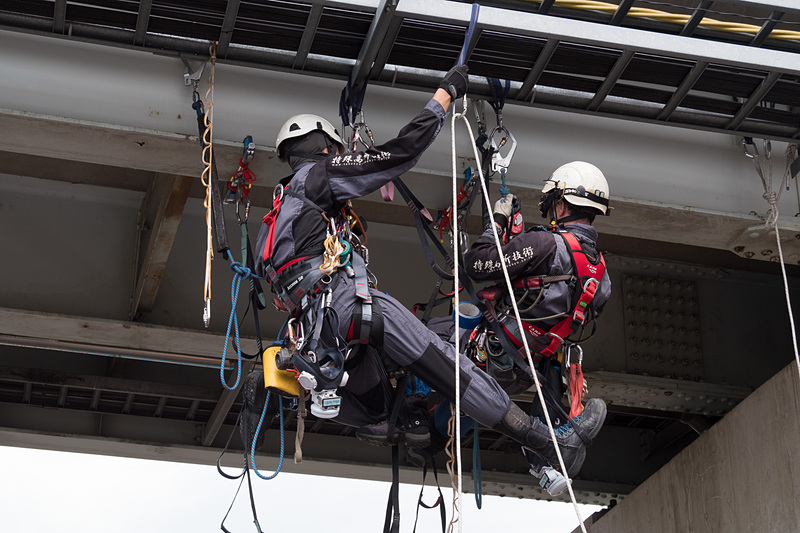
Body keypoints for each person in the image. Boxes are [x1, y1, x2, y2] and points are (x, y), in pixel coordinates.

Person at [253, 66, 600, 477]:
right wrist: (444, 96)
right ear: (326, 149)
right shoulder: (319, 178)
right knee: (451, 366)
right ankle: (549, 445)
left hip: (318, 333)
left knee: (432, 340)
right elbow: (402, 152)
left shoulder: (272, 222)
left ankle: (420, 424)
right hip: (352, 309)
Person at [460, 160, 613, 476]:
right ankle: (548, 456)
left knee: (414, 335)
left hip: (487, 355)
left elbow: (477, 264)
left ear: (559, 203)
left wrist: (497, 224)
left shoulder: (544, 244)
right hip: (532, 372)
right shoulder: (601, 274)